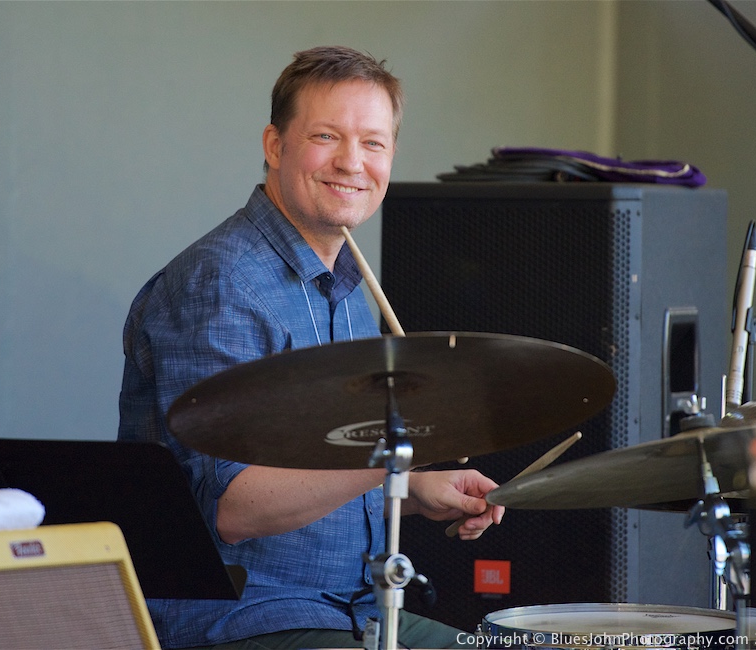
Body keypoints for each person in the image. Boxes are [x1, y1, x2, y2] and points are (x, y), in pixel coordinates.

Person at [118, 45, 505, 650]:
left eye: (374, 143)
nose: (353, 162)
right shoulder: (221, 285)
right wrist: (394, 457)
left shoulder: (348, 282)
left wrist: (413, 490)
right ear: (275, 146)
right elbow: (233, 507)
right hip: (245, 618)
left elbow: (318, 463)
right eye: (327, 136)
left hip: (356, 608)